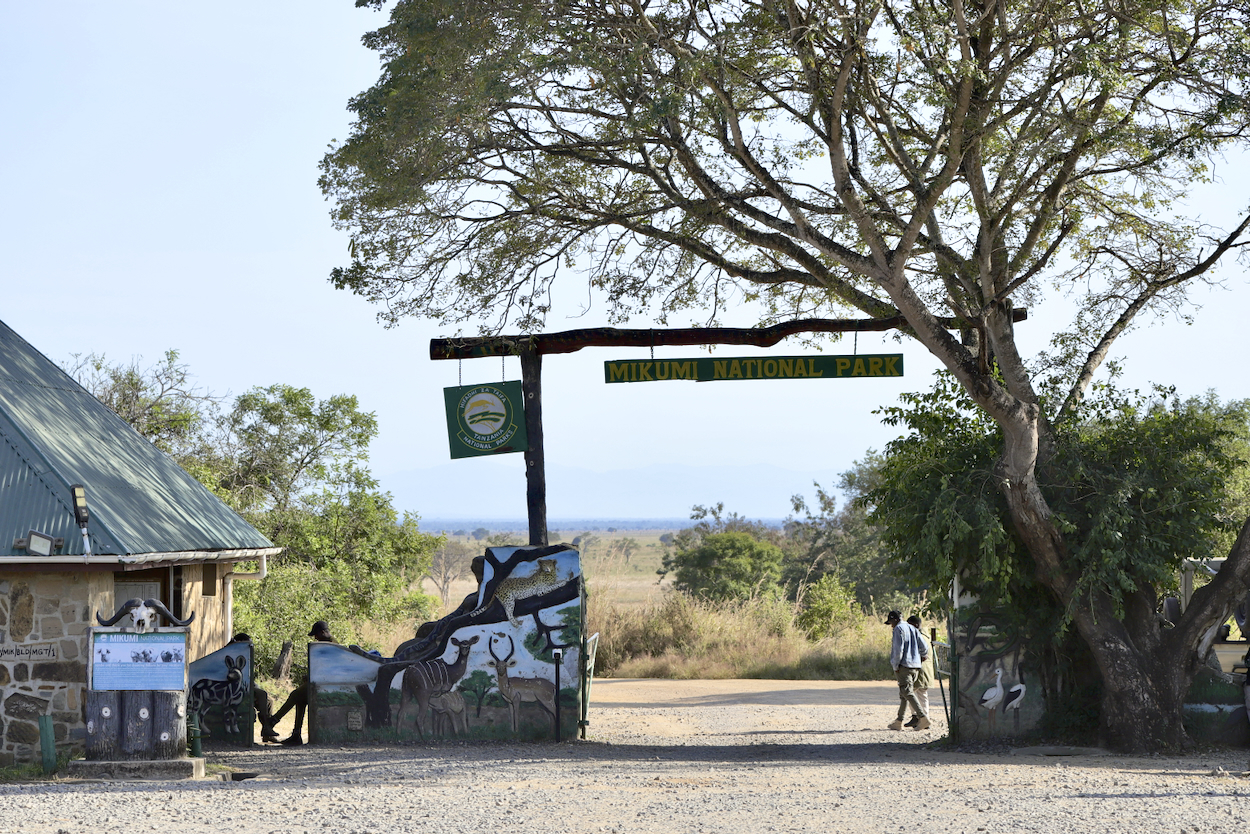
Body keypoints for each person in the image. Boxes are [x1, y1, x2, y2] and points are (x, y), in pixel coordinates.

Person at [267, 620, 337, 746]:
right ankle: (296, 735)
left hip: (325, 684)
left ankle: (273, 721)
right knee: (300, 700)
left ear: (322, 632)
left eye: (316, 635)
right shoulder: (328, 644)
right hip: (320, 681)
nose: (315, 638)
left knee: (295, 695)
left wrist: (312, 677)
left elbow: (328, 668)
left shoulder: (331, 646)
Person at [884, 610, 929, 731]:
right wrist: (923, 655)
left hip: (904, 665)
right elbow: (924, 646)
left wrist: (895, 665)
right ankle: (898, 721)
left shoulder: (898, 629)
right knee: (904, 693)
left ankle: (923, 718)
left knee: (907, 692)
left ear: (894, 620)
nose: (891, 626)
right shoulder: (912, 628)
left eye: (891, 623)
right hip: (916, 665)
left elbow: (898, 650)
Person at [230, 632, 279, 743]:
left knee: (269, 701)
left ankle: (267, 733)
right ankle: (267, 726)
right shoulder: (232, 653)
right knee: (262, 695)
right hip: (237, 687)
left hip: (247, 684)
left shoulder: (244, 655)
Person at [904, 616, 934, 728]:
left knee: (911, 693)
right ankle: (922, 718)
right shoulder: (926, 636)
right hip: (925, 670)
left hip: (919, 670)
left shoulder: (918, 637)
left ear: (915, 625)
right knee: (921, 694)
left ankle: (919, 717)